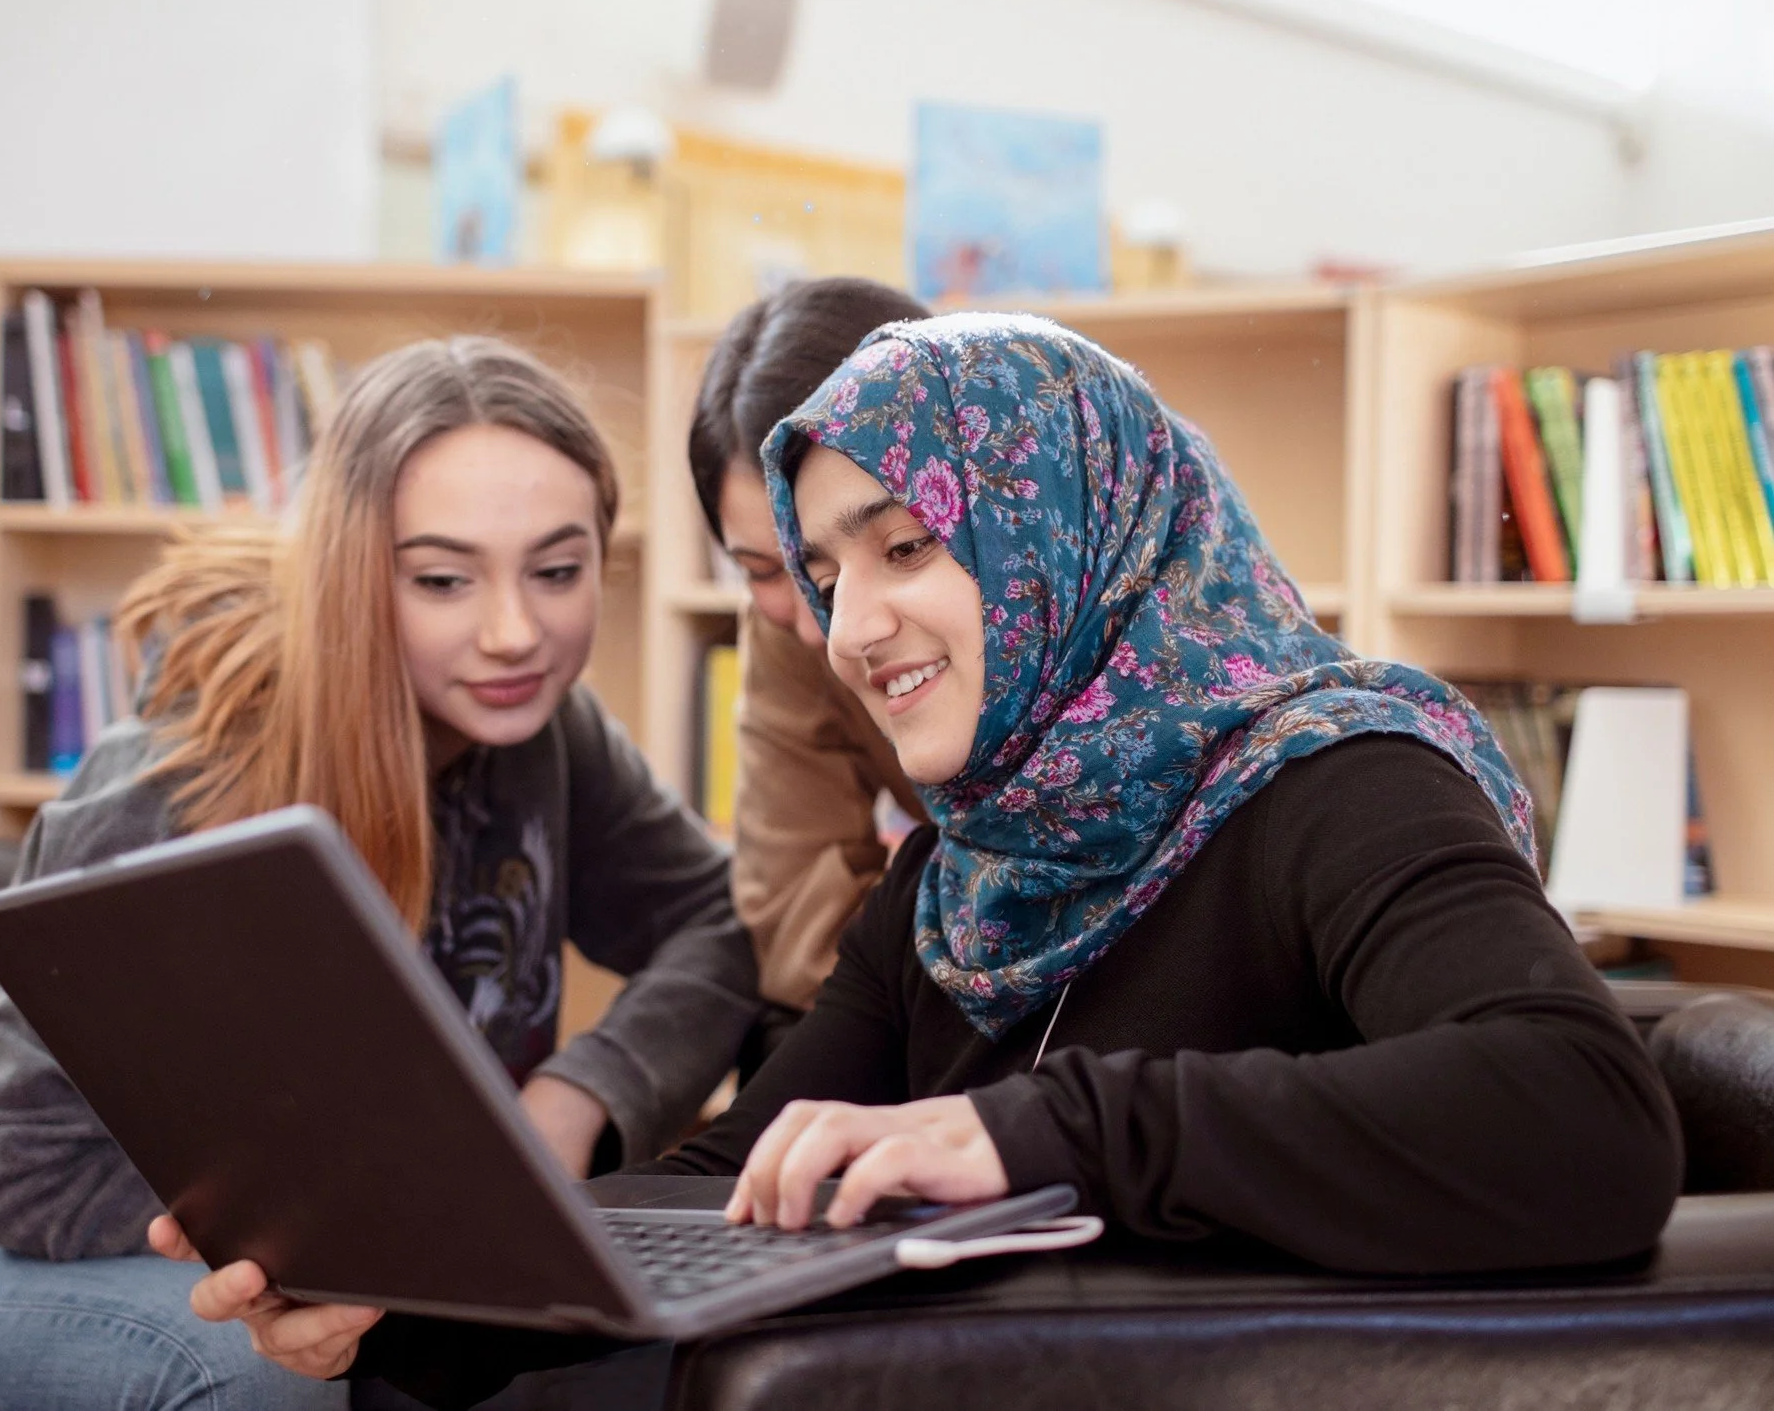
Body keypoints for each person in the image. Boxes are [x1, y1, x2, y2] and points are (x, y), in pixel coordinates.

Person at [170, 312, 1681, 1395]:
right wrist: (415, 1287)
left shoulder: (1342, 778)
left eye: (907, 546)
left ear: (1063, 526)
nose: (851, 623)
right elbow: (733, 1184)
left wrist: (1037, 1132)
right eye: (823, 572)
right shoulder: (957, 874)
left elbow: (1582, 1109)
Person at [0, 337, 760, 1410]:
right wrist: (398, 1210)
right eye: (442, 578)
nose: (514, 630)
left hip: (159, 1225)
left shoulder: (551, 735)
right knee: (259, 1375)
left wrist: (576, 1099)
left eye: (558, 569)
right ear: (356, 572)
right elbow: (31, 1178)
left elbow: (723, 923)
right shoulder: (190, 766)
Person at [688, 278, 929, 1031]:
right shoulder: (787, 634)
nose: (826, 621)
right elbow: (797, 933)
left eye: (900, 548)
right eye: (763, 571)